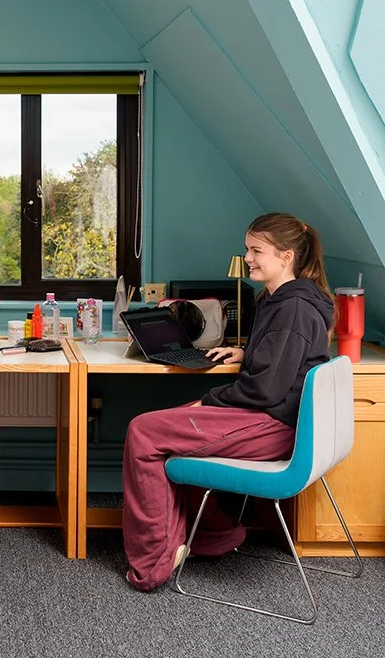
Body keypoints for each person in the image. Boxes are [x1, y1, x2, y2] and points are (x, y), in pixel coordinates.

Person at [122, 212, 335, 591]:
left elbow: (265, 390)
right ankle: (215, 534)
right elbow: (281, 359)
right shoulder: (279, 298)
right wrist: (246, 351)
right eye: (247, 249)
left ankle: (154, 563)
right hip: (270, 417)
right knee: (167, 430)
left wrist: (208, 402)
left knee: (144, 432)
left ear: (286, 257)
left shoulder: (293, 308)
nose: (248, 258)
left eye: (257, 250)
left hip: (272, 424)